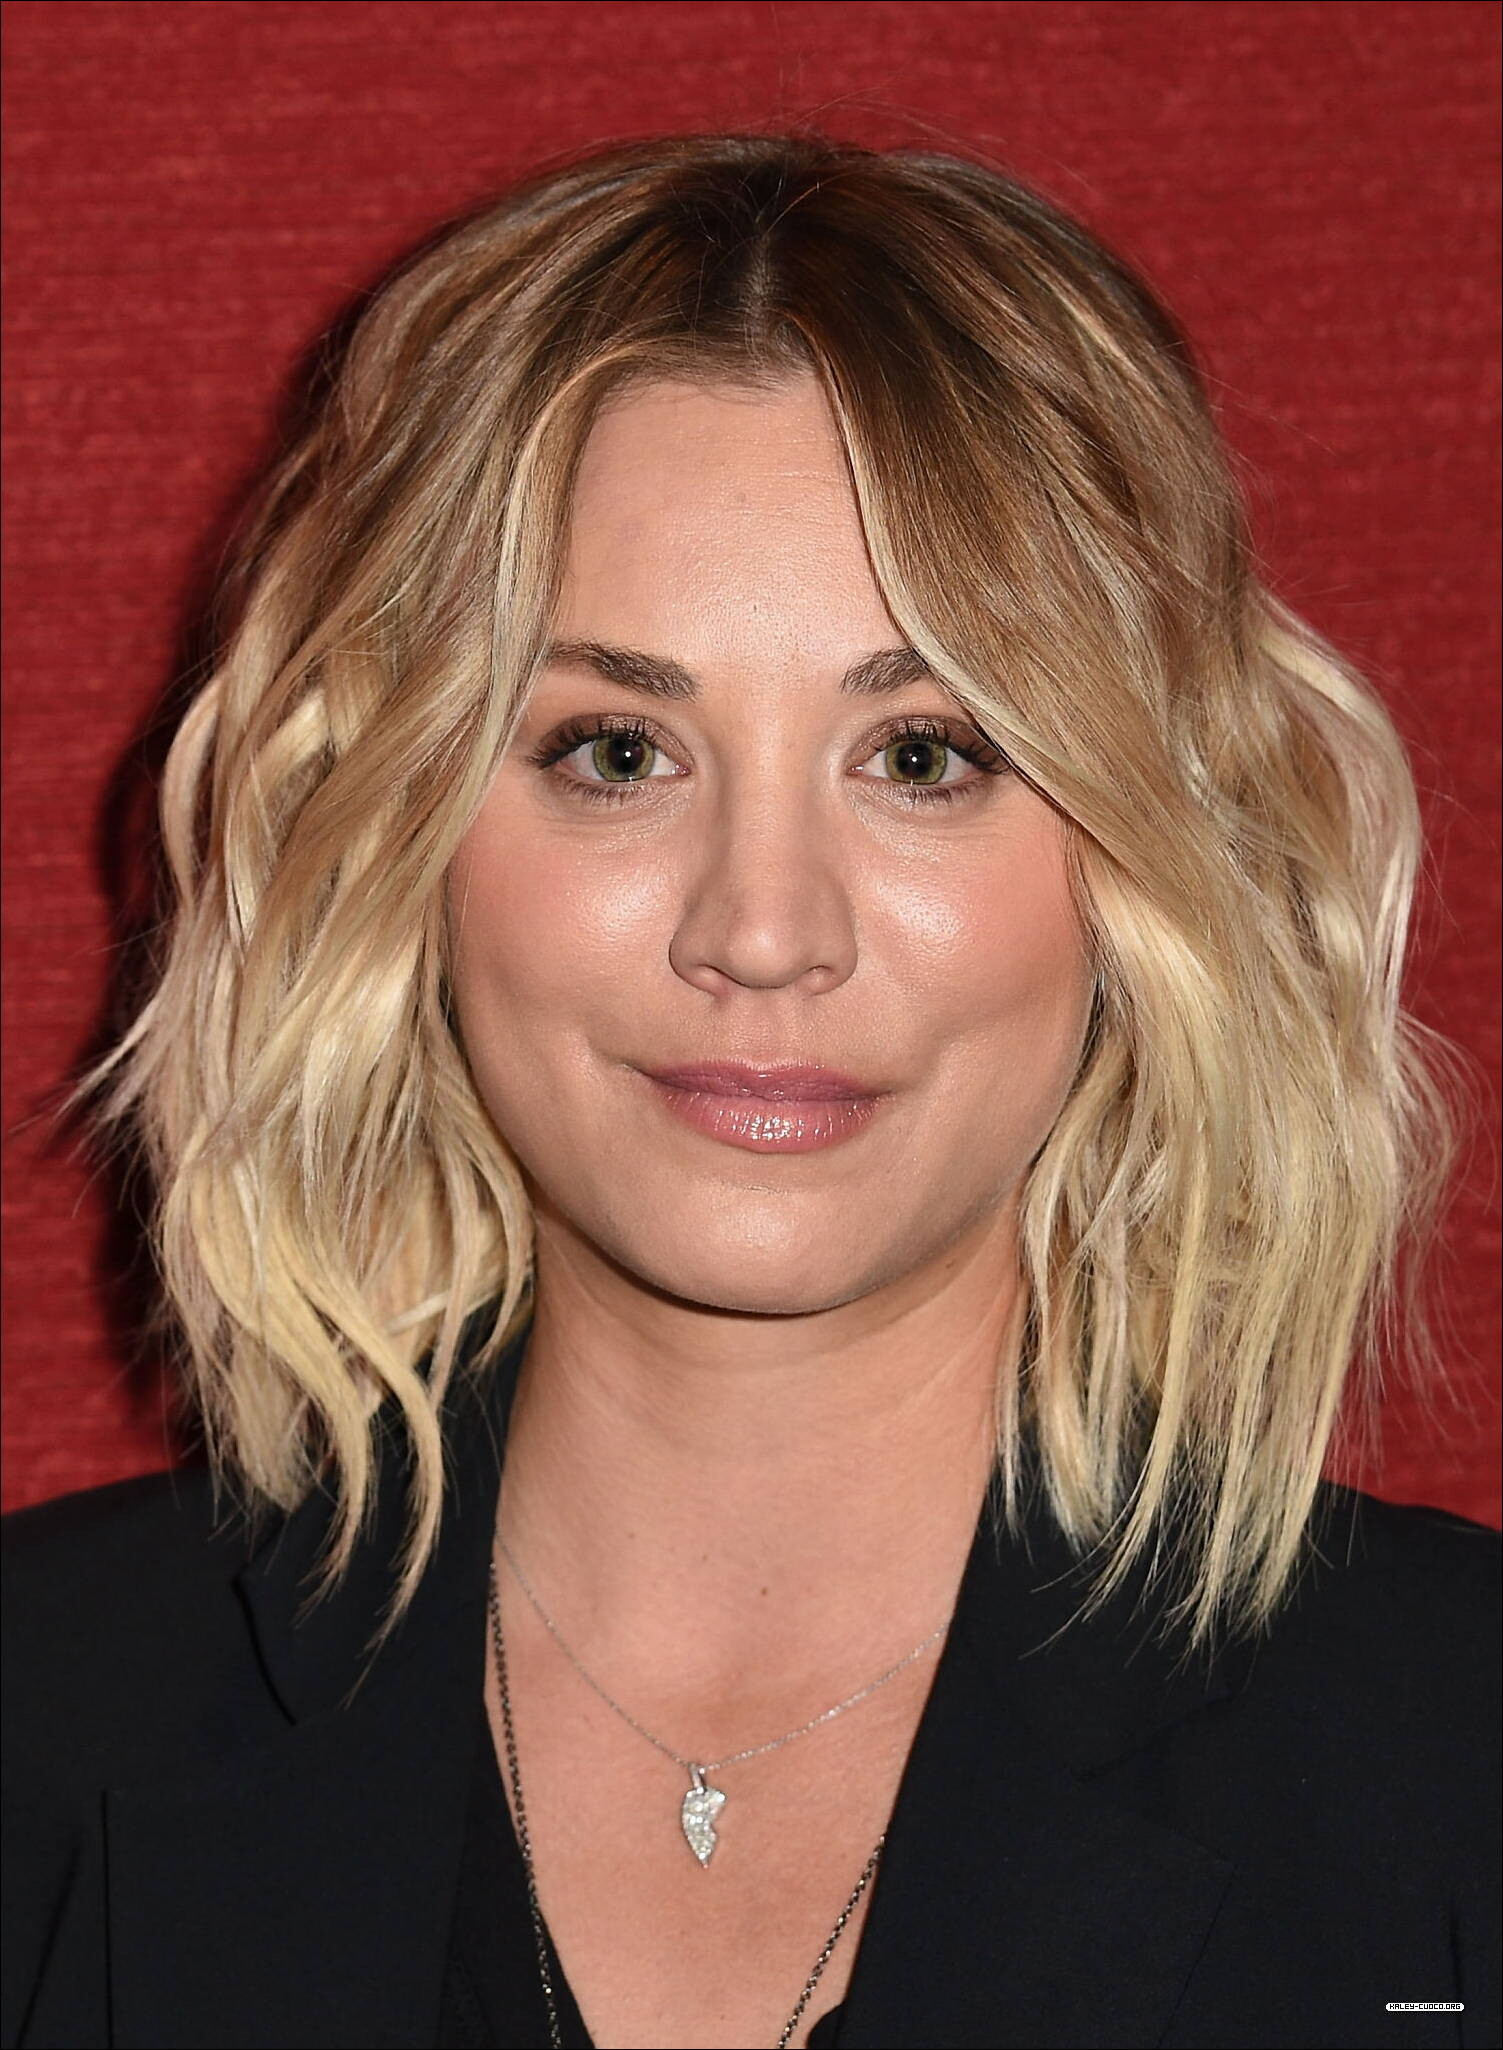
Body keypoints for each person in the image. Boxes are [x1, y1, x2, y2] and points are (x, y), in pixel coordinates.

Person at [2, 129, 1497, 2050]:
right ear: (401, 830)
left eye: (926, 753)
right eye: (619, 750)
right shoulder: (41, 1712)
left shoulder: (1455, 1756)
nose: (765, 931)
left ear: (1147, 854)